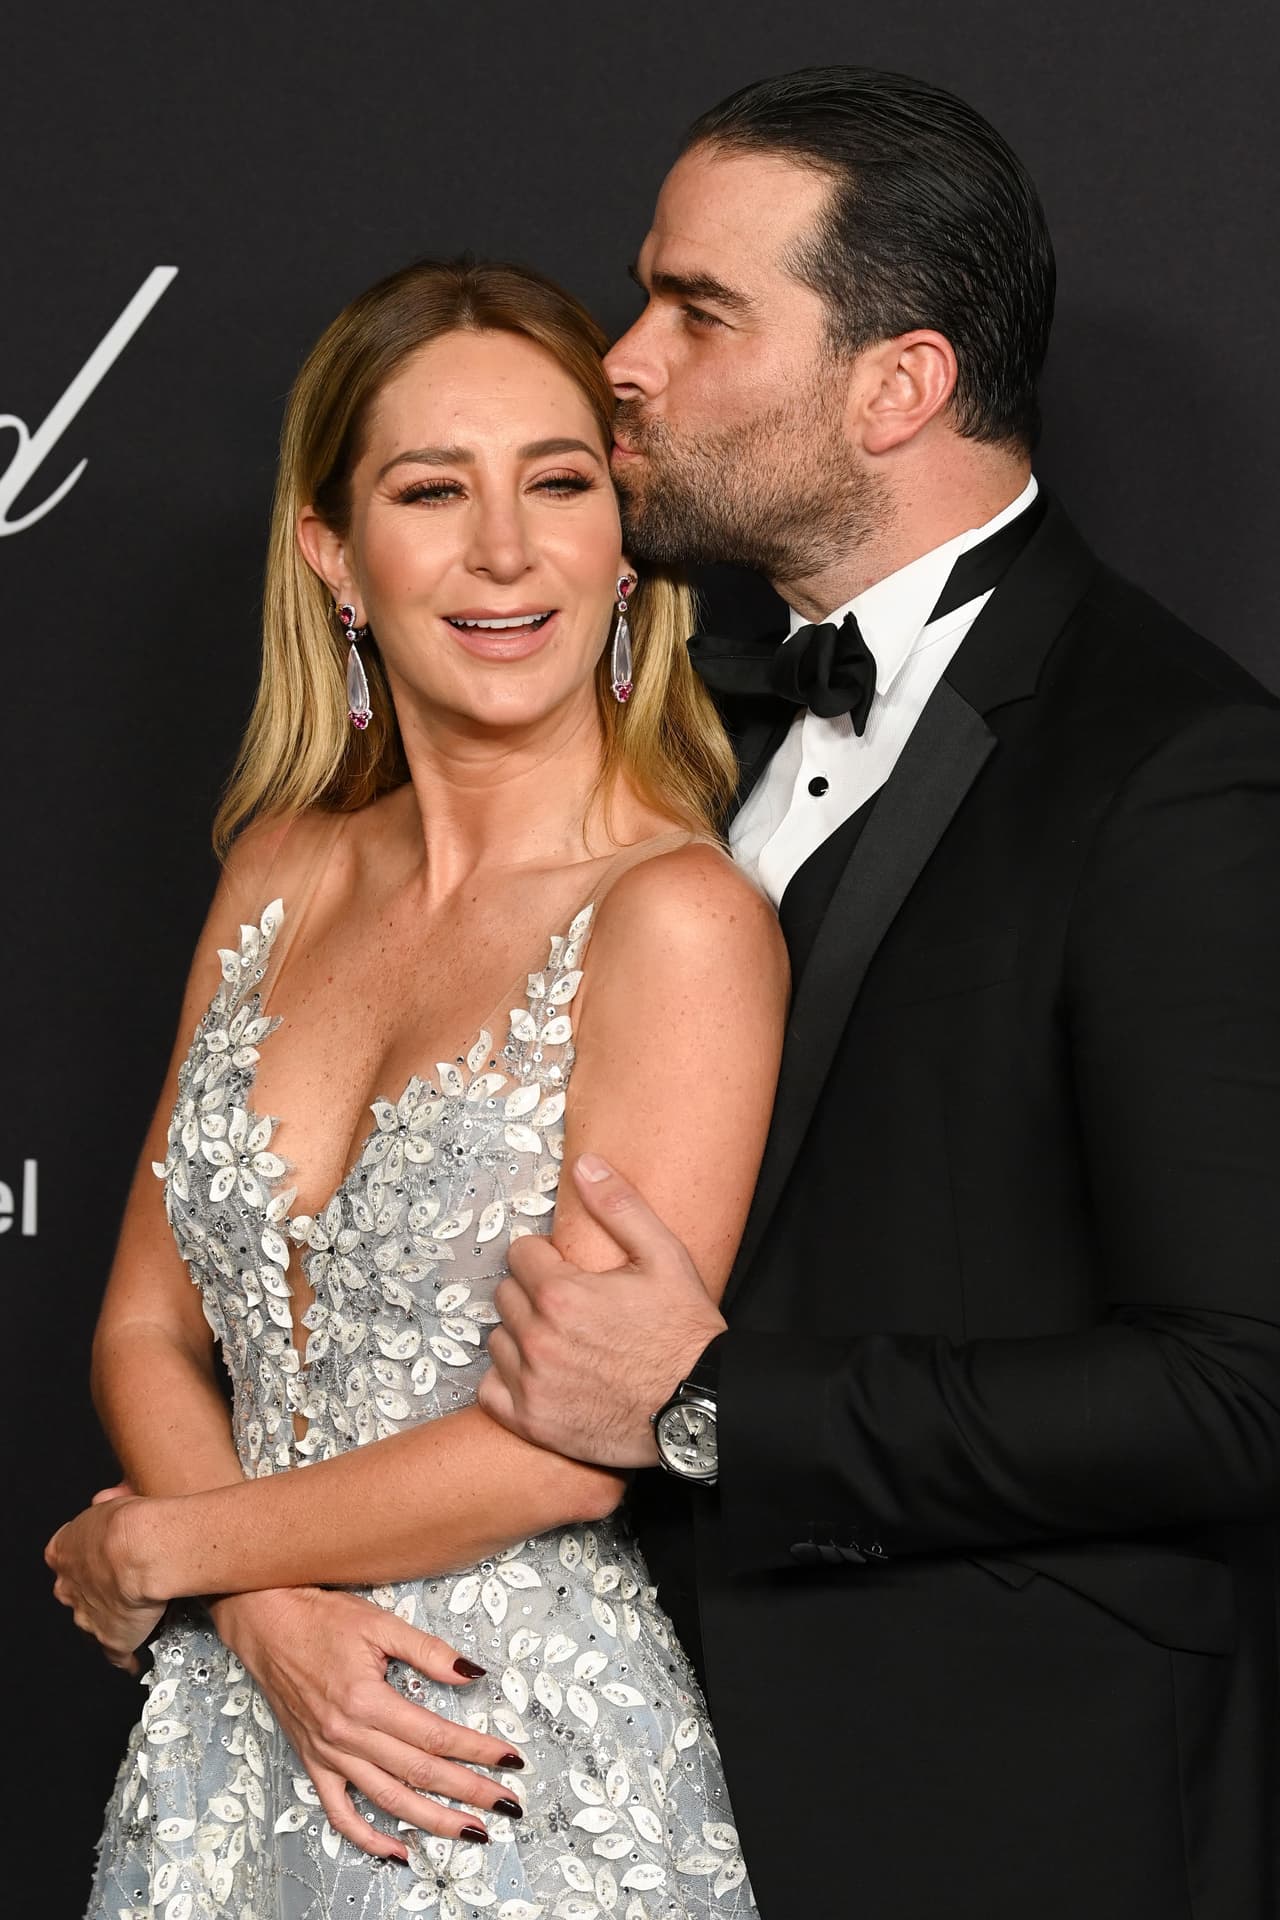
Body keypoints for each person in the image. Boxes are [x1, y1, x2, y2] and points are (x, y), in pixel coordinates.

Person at [474, 67, 1280, 1920]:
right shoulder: (673, 726)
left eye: (698, 311)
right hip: (620, 1779)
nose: (619, 361)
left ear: (896, 385)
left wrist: (713, 1405)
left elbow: (1240, 1390)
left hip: (985, 1806)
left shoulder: (1180, 769)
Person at [45, 256, 787, 1919]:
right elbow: (143, 1327)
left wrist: (176, 1553)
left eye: (560, 482)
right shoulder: (278, 873)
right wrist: (262, 1613)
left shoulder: (678, 921)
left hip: (491, 1746)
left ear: (623, 536)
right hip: (234, 1734)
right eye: (431, 490)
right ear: (337, 558)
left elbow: (576, 1448)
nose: (505, 550)